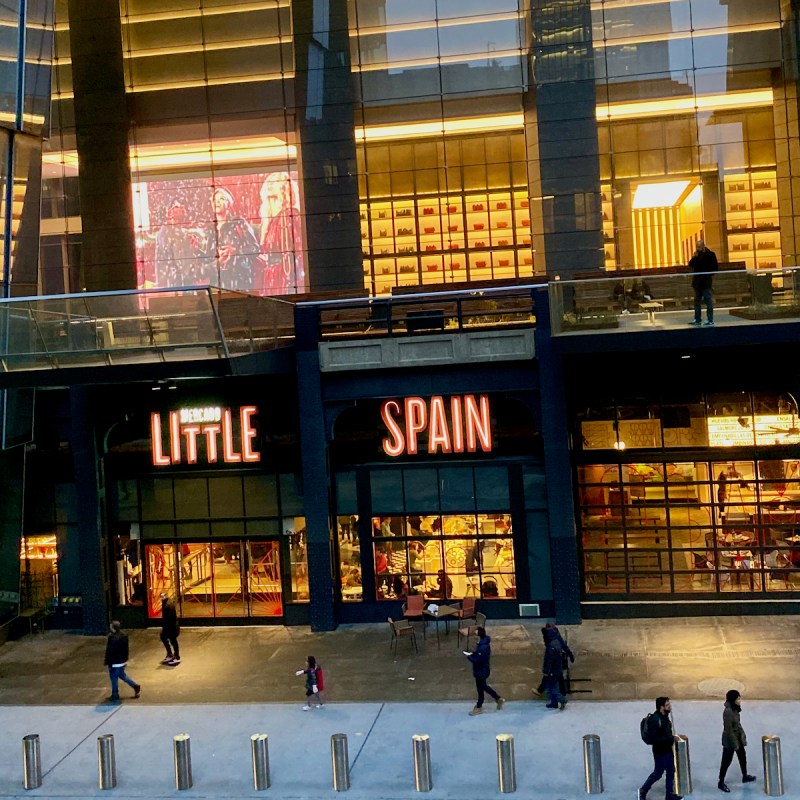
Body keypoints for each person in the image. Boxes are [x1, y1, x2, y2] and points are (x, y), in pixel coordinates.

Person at [206, 187, 261, 292]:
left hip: (240, 280)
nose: (217, 202)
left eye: (221, 199)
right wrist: (196, 250)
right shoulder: (211, 229)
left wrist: (235, 251)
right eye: (214, 200)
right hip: (218, 283)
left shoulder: (238, 222)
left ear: (228, 203)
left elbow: (255, 248)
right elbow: (208, 258)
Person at [258, 172, 304, 295]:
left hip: (283, 276)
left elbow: (299, 250)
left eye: (273, 197)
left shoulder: (290, 216)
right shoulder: (270, 222)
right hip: (272, 276)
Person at [639, 697, 682, 800]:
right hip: (660, 751)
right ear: (661, 707)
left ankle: (669, 795)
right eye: (667, 705)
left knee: (671, 771)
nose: (670, 707)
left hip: (667, 749)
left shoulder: (665, 716)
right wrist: (671, 738)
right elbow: (655, 738)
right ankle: (643, 790)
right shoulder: (655, 720)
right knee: (658, 773)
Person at [718, 689, 756, 792]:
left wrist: (742, 737)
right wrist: (735, 744)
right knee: (726, 761)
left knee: (742, 757)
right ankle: (721, 782)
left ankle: (745, 775)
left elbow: (738, 725)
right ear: (733, 700)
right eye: (738, 698)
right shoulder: (728, 712)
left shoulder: (735, 709)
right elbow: (728, 730)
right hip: (730, 741)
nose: (740, 700)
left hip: (737, 738)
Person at [465, 626, 505, 716]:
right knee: (482, 687)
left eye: (475, 635)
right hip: (482, 669)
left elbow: (478, 660)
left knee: (481, 687)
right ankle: (495, 700)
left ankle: (481, 706)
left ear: (479, 636)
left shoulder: (482, 648)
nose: (474, 637)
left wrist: (469, 656)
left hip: (481, 671)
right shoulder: (482, 645)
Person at [104, 620, 141, 704]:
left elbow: (110, 651)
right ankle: (135, 686)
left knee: (114, 679)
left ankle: (115, 695)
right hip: (121, 661)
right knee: (122, 675)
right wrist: (125, 660)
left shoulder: (112, 638)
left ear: (113, 628)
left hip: (114, 662)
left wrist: (108, 662)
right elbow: (126, 649)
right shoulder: (124, 636)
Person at [534, 623, 575, 697]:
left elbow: (549, 657)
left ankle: (542, 690)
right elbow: (563, 645)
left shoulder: (549, 638)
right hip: (558, 657)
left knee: (550, 675)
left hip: (554, 657)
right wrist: (570, 655)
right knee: (559, 675)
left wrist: (545, 670)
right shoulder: (556, 635)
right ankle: (562, 693)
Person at [688, 239, 718, 327]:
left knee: (708, 300)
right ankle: (697, 319)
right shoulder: (696, 255)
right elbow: (691, 265)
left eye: (699, 247)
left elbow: (715, 267)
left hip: (705, 282)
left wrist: (708, 275)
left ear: (703, 246)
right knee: (697, 301)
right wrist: (694, 257)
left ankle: (710, 319)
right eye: (697, 247)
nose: (698, 248)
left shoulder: (710, 255)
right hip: (697, 282)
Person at [541, 625, 568, 710]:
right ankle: (554, 703)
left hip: (552, 670)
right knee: (552, 686)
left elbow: (549, 660)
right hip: (558, 668)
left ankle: (561, 699)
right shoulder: (556, 642)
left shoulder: (550, 646)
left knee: (552, 687)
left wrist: (546, 671)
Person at [160, 593, 181, 666]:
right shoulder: (166, 603)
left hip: (171, 627)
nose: (161, 598)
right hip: (170, 626)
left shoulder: (168, 605)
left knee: (172, 640)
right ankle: (171, 654)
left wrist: (166, 627)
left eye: (163, 596)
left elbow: (169, 618)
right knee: (165, 638)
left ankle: (176, 656)